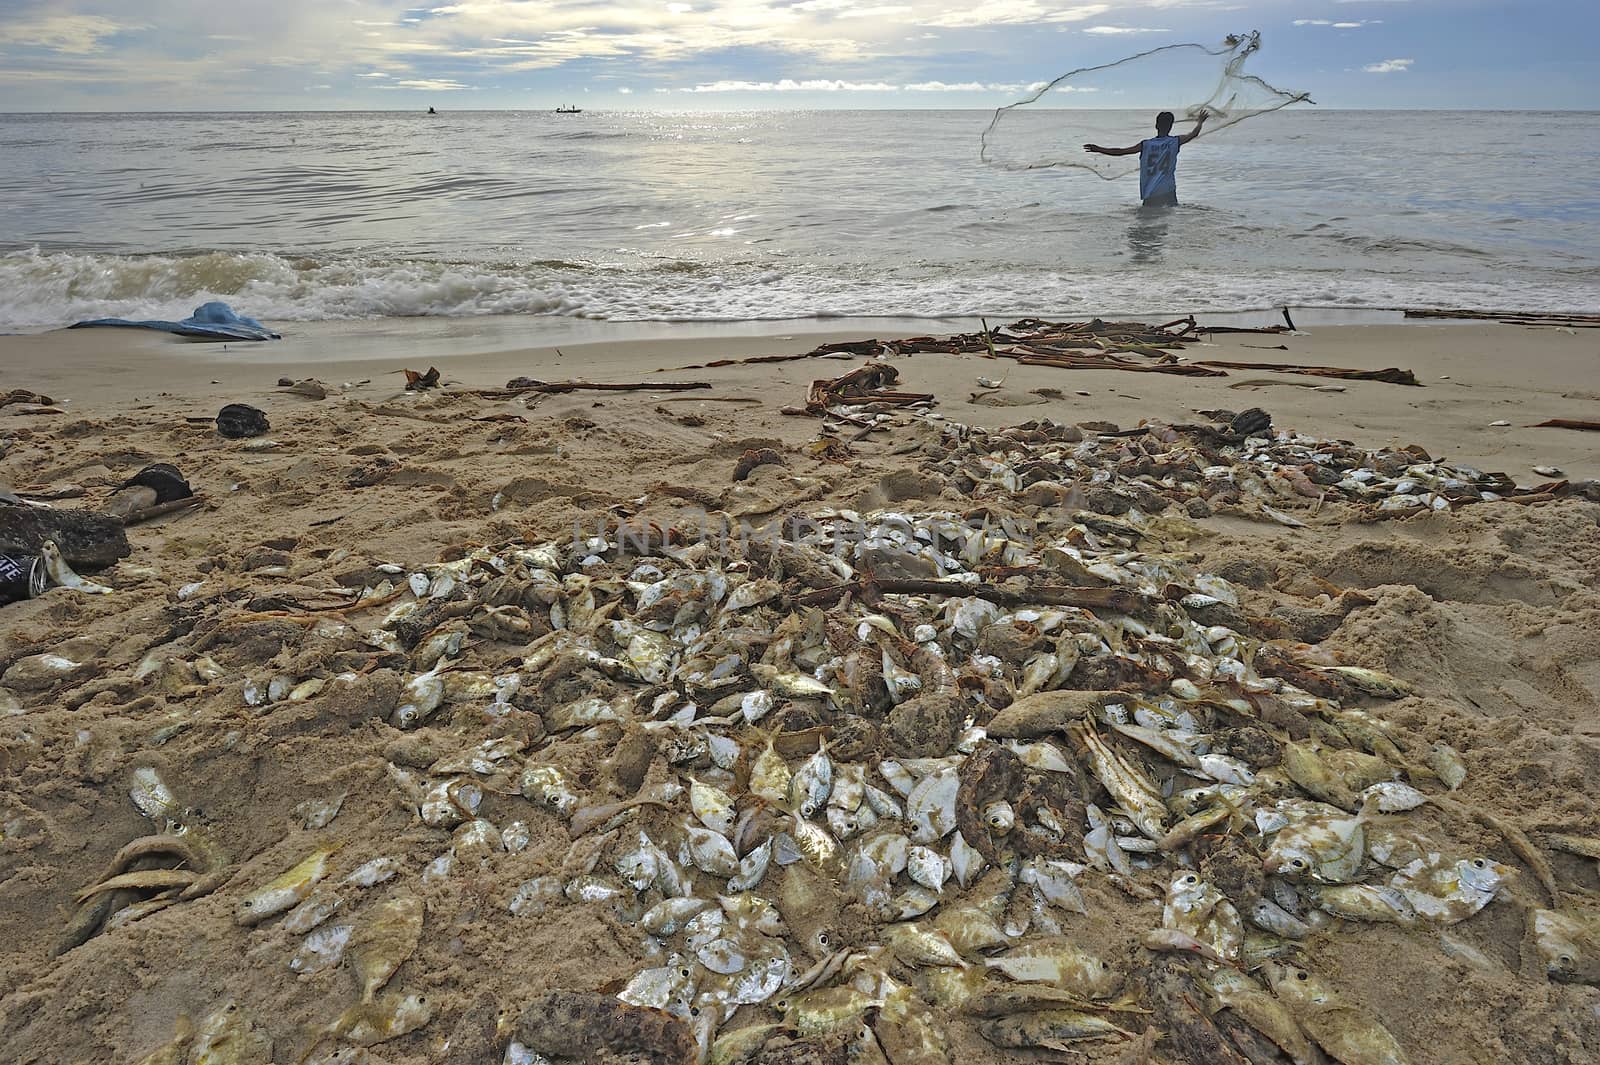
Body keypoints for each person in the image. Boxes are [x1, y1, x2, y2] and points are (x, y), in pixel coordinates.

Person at [1084, 110, 1207, 207]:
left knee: (1147, 225)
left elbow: (1121, 152)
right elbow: (1194, 133)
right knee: (1166, 227)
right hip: (1167, 191)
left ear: (1156, 125)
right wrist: (1200, 122)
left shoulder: (1146, 144)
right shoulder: (1174, 141)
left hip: (1150, 192)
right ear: (1170, 127)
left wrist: (1099, 149)